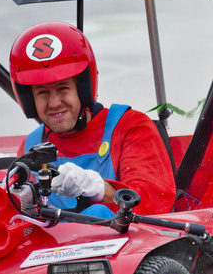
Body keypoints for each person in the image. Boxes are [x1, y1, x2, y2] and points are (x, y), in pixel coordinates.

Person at [9, 21, 176, 217]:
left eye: (63, 88)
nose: (54, 103)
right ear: (29, 100)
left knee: (97, 212)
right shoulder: (31, 147)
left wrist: (97, 188)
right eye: (42, 93)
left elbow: (153, 204)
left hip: (127, 245)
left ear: (82, 89)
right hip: (55, 245)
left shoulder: (130, 127)